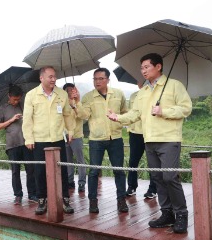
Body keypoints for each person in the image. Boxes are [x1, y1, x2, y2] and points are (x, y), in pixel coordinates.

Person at [109, 53, 192, 233]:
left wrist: (164, 111)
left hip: (169, 139)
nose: (143, 71)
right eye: (142, 68)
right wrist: (118, 118)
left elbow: (186, 108)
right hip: (149, 140)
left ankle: (181, 214)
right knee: (157, 178)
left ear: (158, 66)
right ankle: (167, 213)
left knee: (170, 177)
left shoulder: (174, 85)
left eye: (146, 67)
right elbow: (135, 114)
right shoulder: (143, 92)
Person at [22, 66, 76, 215]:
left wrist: (70, 130)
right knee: (39, 172)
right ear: (41, 78)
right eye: (50, 77)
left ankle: (65, 199)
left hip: (58, 138)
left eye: (54, 76)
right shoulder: (31, 95)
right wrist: (28, 138)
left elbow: (67, 115)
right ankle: (42, 200)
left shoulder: (62, 94)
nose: (53, 79)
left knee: (62, 170)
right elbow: (27, 119)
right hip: (40, 139)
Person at [75, 67, 129, 214]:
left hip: (115, 138)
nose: (97, 81)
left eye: (100, 79)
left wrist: (120, 121)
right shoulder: (88, 97)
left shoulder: (118, 94)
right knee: (93, 171)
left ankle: (121, 200)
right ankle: (93, 201)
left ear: (107, 80)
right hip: (96, 140)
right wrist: (77, 102)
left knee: (119, 170)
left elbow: (125, 112)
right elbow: (84, 115)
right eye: (95, 79)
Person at [0, 85, 36, 204]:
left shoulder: (23, 105)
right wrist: (11, 120)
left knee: (30, 169)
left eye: (18, 99)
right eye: (14, 99)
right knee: (15, 171)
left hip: (26, 142)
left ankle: (32, 194)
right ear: (9, 96)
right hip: (12, 144)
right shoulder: (2, 108)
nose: (16, 101)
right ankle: (18, 195)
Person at [125, 83, 157, 199]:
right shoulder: (133, 96)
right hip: (135, 133)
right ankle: (131, 187)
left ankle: (153, 189)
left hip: (149, 133)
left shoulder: (155, 94)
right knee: (133, 161)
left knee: (152, 163)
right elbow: (131, 113)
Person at [62, 82, 86, 193]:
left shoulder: (79, 103)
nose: (70, 92)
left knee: (80, 161)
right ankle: (70, 181)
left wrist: (76, 103)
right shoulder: (62, 104)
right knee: (68, 161)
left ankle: (82, 182)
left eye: (72, 90)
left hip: (76, 136)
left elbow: (83, 116)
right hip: (65, 137)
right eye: (67, 90)